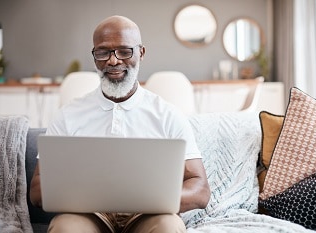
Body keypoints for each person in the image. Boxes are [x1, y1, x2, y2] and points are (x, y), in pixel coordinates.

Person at [30, 15, 210, 233]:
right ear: (94, 56)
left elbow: (200, 189)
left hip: (149, 214)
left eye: (125, 51)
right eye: (103, 52)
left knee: (168, 226)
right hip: (88, 213)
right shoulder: (67, 115)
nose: (113, 61)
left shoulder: (168, 115)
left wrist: (154, 200)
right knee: (65, 227)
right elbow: (37, 189)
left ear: (141, 53)